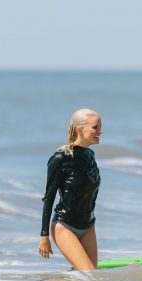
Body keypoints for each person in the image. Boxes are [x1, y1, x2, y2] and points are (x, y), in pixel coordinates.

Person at [38, 108, 102, 270]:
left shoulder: (90, 155)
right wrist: (44, 236)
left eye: (100, 127)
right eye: (96, 127)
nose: (100, 131)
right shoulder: (60, 159)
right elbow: (49, 197)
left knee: (89, 278)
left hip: (88, 226)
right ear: (80, 129)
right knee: (89, 275)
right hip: (65, 226)